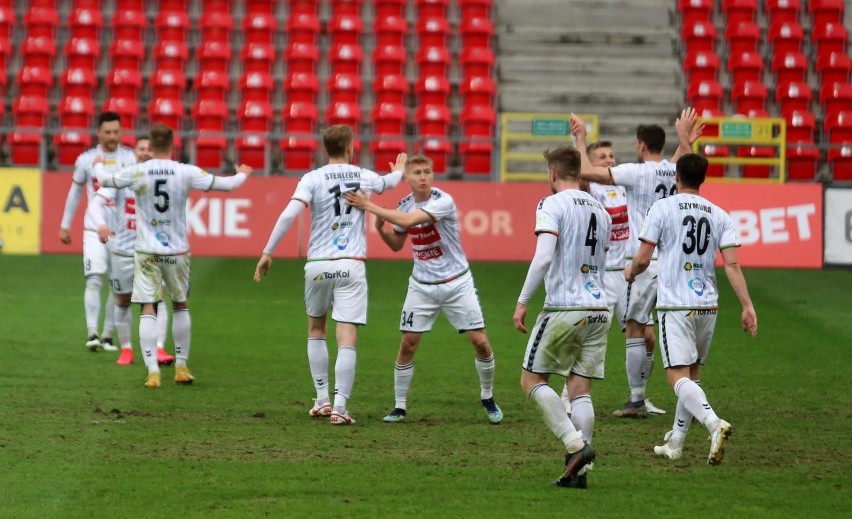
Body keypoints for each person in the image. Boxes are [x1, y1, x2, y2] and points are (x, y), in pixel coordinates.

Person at [253, 125, 406, 425]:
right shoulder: (362, 175)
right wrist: (399, 171)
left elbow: (288, 213)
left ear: (325, 149)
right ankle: (340, 407)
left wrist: (268, 251)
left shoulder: (312, 178)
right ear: (350, 146)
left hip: (318, 265)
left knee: (316, 330)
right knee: (346, 336)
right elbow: (389, 182)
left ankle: (321, 399)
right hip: (350, 264)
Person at [342, 154, 504, 425]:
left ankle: (487, 396)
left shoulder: (443, 201)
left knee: (481, 343)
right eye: (416, 173)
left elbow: (408, 222)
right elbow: (396, 244)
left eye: (427, 172)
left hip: (457, 283)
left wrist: (369, 206)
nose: (423, 177)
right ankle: (399, 406)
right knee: (408, 344)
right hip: (422, 286)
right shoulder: (403, 204)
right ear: (406, 178)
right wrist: (381, 229)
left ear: (433, 175)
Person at [624, 153, 757, 465]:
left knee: (675, 376)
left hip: (675, 304)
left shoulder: (662, 208)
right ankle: (677, 444)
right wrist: (747, 305)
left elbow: (643, 258)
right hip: (708, 305)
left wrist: (631, 272)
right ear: (704, 178)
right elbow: (733, 264)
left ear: (676, 177)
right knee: (692, 374)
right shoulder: (719, 214)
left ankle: (713, 424)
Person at [95, 124, 253, 388]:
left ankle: (153, 371)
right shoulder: (185, 171)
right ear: (173, 145)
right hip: (177, 251)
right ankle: (181, 366)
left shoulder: (138, 170)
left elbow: (106, 180)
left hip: (146, 251)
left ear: (151, 147)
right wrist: (242, 175)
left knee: (148, 306)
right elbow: (227, 186)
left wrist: (100, 165)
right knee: (179, 303)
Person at [572, 109, 700, 418]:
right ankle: (676, 390)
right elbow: (688, 162)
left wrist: (580, 138)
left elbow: (586, 172)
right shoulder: (675, 170)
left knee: (633, 328)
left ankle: (636, 399)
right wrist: (686, 140)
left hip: (641, 260)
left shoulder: (636, 171)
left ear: (641, 145)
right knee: (653, 332)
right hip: (671, 262)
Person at [513, 146, 611, 489]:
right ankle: (578, 474)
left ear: (552, 174)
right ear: (580, 173)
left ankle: (575, 446)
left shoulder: (551, 204)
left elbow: (543, 258)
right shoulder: (601, 208)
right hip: (600, 307)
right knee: (579, 388)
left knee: (531, 380)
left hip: (565, 307)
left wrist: (523, 301)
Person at [89, 136, 175, 366]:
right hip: (124, 251)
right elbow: (96, 203)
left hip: (152, 250)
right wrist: (100, 223)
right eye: (141, 148)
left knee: (158, 299)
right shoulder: (123, 177)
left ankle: (158, 348)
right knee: (123, 300)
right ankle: (126, 349)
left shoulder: (163, 178)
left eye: (149, 149)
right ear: (135, 152)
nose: (146, 152)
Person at [59, 112, 137, 351]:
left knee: (118, 287)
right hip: (94, 227)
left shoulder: (130, 157)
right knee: (94, 279)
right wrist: (65, 224)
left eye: (116, 131)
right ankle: (92, 333)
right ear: (99, 133)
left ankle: (107, 335)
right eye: (108, 132)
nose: (113, 136)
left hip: (122, 232)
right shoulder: (86, 159)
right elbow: (75, 192)